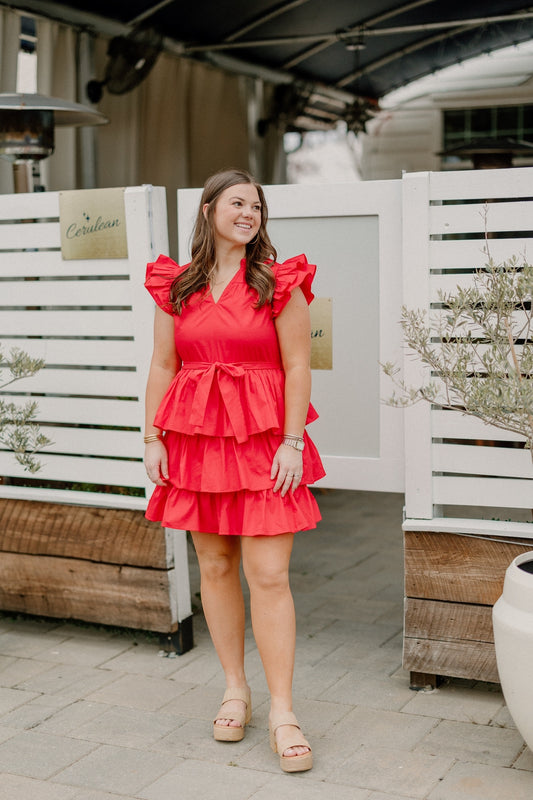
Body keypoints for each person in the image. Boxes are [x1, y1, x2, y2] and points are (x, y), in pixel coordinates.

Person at [143, 168, 325, 773]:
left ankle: (282, 711)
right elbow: (164, 365)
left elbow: (298, 366)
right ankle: (233, 689)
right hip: (196, 444)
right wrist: (152, 437)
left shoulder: (278, 281)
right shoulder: (178, 284)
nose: (248, 212)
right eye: (236, 202)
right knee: (216, 566)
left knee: (268, 574)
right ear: (208, 210)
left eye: (256, 205)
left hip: (265, 443)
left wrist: (293, 442)